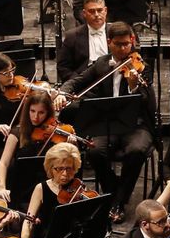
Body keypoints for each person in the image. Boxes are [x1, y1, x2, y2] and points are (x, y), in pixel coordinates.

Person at [57, 22, 156, 219]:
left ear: (133, 41)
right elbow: (77, 81)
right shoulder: (102, 64)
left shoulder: (142, 67)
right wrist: (62, 93)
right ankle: (115, 191)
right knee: (94, 151)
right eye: (118, 45)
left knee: (136, 151)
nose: (123, 49)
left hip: (135, 125)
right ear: (109, 42)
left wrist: (134, 86)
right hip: (107, 124)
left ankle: (117, 203)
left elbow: (149, 104)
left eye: (127, 44)